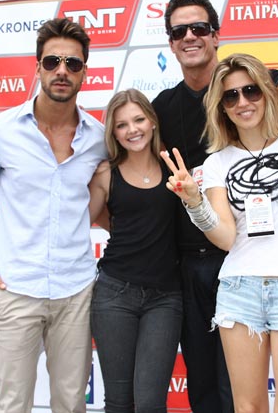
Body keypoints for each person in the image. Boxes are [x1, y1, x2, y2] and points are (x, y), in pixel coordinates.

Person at [151, 0, 278, 413]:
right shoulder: (161, 108)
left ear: (215, 34)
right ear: (171, 43)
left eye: (199, 27)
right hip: (206, 266)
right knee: (211, 391)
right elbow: (133, 171)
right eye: (179, 31)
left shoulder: (267, 91)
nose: (190, 37)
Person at [0, 17, 106, 413]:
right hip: (15, 288)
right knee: (13, 404)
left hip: (76, 291)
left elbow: (103, 203)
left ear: (84, 73)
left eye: (73, 64)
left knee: (71, 404)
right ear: (37, 66)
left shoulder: (98, 138)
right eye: (52, 61)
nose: (62, 71)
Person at [88, 89, 181, 413]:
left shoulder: (174, 166)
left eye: (139, 119)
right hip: (115, 293)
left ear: (152, 122)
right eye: (122, 125)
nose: (133, 130)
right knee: (118, 402)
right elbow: (80, 219)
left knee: (151, 403)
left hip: (166, 297)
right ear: (113, 133)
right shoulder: (104, 173)